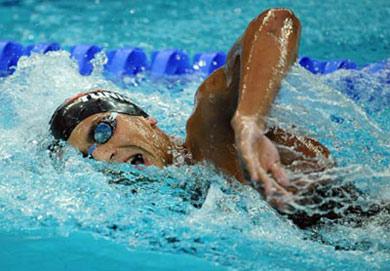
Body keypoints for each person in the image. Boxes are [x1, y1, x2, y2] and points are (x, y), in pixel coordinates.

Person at [50, 9, 381, 228]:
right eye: (88, 155)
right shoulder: (175, 197)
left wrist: (248, 123)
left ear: (146, 119)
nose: (104, 155)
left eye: (103, 131)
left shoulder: (208, 130)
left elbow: (278, 22)